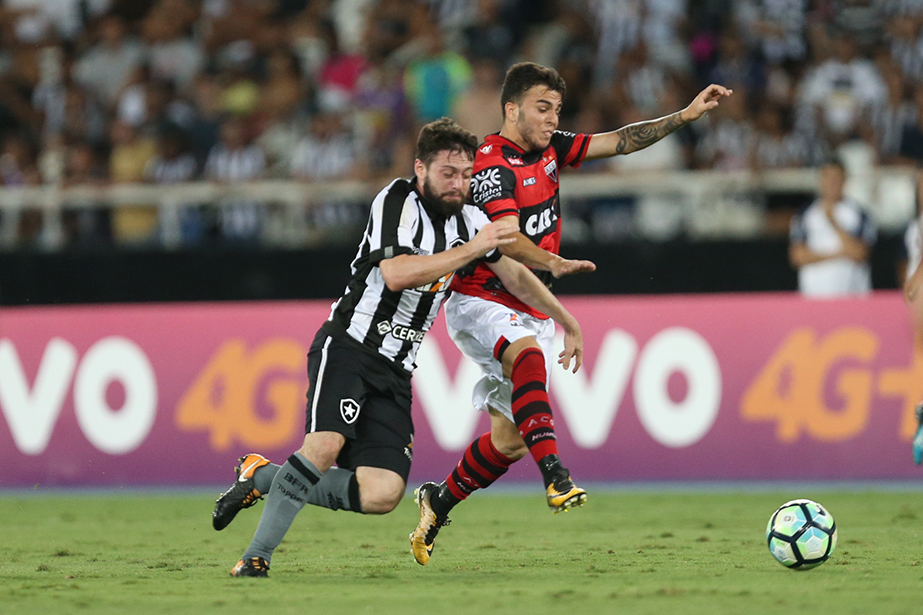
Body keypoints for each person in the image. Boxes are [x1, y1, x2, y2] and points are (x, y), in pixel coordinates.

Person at [213, 117, 588, 577]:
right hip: (350, 346)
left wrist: (565, 318)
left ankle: (263, 476)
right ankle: (256, 558)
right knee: (324, 447)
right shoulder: (397, 200)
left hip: (395, 370)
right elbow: (396, 273)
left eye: (467, 174)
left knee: (383, 494)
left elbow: (513, 275)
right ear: (421, 169)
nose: (459, 183)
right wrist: (473, 250)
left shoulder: (471, 219)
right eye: (448, 173)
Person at [410, 61, 733, 566]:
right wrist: (554, 263)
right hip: (481, 297)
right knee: (529, 356)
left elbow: (620, 141)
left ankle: (440, 500)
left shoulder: (552, 147)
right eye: (542, 108)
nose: (551, 118)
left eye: (557, 109)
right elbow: (506, 238)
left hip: (526, 300)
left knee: (509, 441)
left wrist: (686, 115)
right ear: (511, 109)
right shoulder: (493, 163)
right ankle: (557, 477)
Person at [789, 159, 877, 298]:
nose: (832, 183)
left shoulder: (859, 214)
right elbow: (797, 256)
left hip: (851, 296)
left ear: (845, 180)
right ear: (820, 180)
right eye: (827, 177)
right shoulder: (805, 214)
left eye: (836, 178)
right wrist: (839, 254)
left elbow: (860, 254)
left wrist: (833, 222)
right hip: (812, 296)